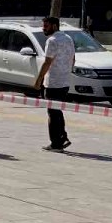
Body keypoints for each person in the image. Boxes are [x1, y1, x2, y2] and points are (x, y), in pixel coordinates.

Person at [34, 17, 75, 152]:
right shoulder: (68, 39)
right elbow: (73, 59)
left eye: (46, 26)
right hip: (65, 81)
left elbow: (47, 62)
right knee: (57, 111)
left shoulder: (52, 41)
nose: (43, 28)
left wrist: (39, 79)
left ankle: (56, 143)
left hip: (53, 82)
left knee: (52, 112)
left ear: (55, 26)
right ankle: (62, 137)